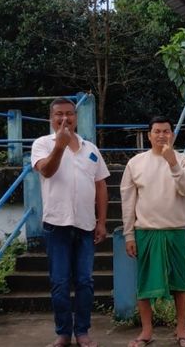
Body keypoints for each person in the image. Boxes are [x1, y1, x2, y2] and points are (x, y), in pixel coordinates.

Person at [31, 97, 110, 347]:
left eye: (69, 113)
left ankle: (82, 331)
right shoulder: (42, 144)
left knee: (85, 282)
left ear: (76, 117)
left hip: (86, 225)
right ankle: (63, 333)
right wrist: (60, 146)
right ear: (51, 118)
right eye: (59, 114)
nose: (64, 118)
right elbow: (46, 171)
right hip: (57, 225)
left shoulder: (91, 148)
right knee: (60, 282)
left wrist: (101, 222)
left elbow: (101, 185)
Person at [121, 116, 185, 347]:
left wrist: (172, 163)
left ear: (172, 135)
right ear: (149, 135)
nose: (162, 135)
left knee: (180, 283)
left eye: (166, 131)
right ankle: (146, 331)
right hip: (146, 232)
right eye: (157, 131)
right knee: (145, 284)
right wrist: (128, 234)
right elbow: (128, 202)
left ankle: (181, 329)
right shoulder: (136, 163)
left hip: (175, 231)